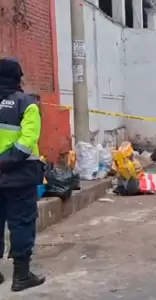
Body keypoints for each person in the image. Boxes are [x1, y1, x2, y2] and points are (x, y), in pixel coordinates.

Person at [0, 57, 46, 292]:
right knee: (21, 222)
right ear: (18, 78)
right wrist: (6, 162)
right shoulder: (26, 104)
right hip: (19, 175)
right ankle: (21, 275)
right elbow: (27, 141)